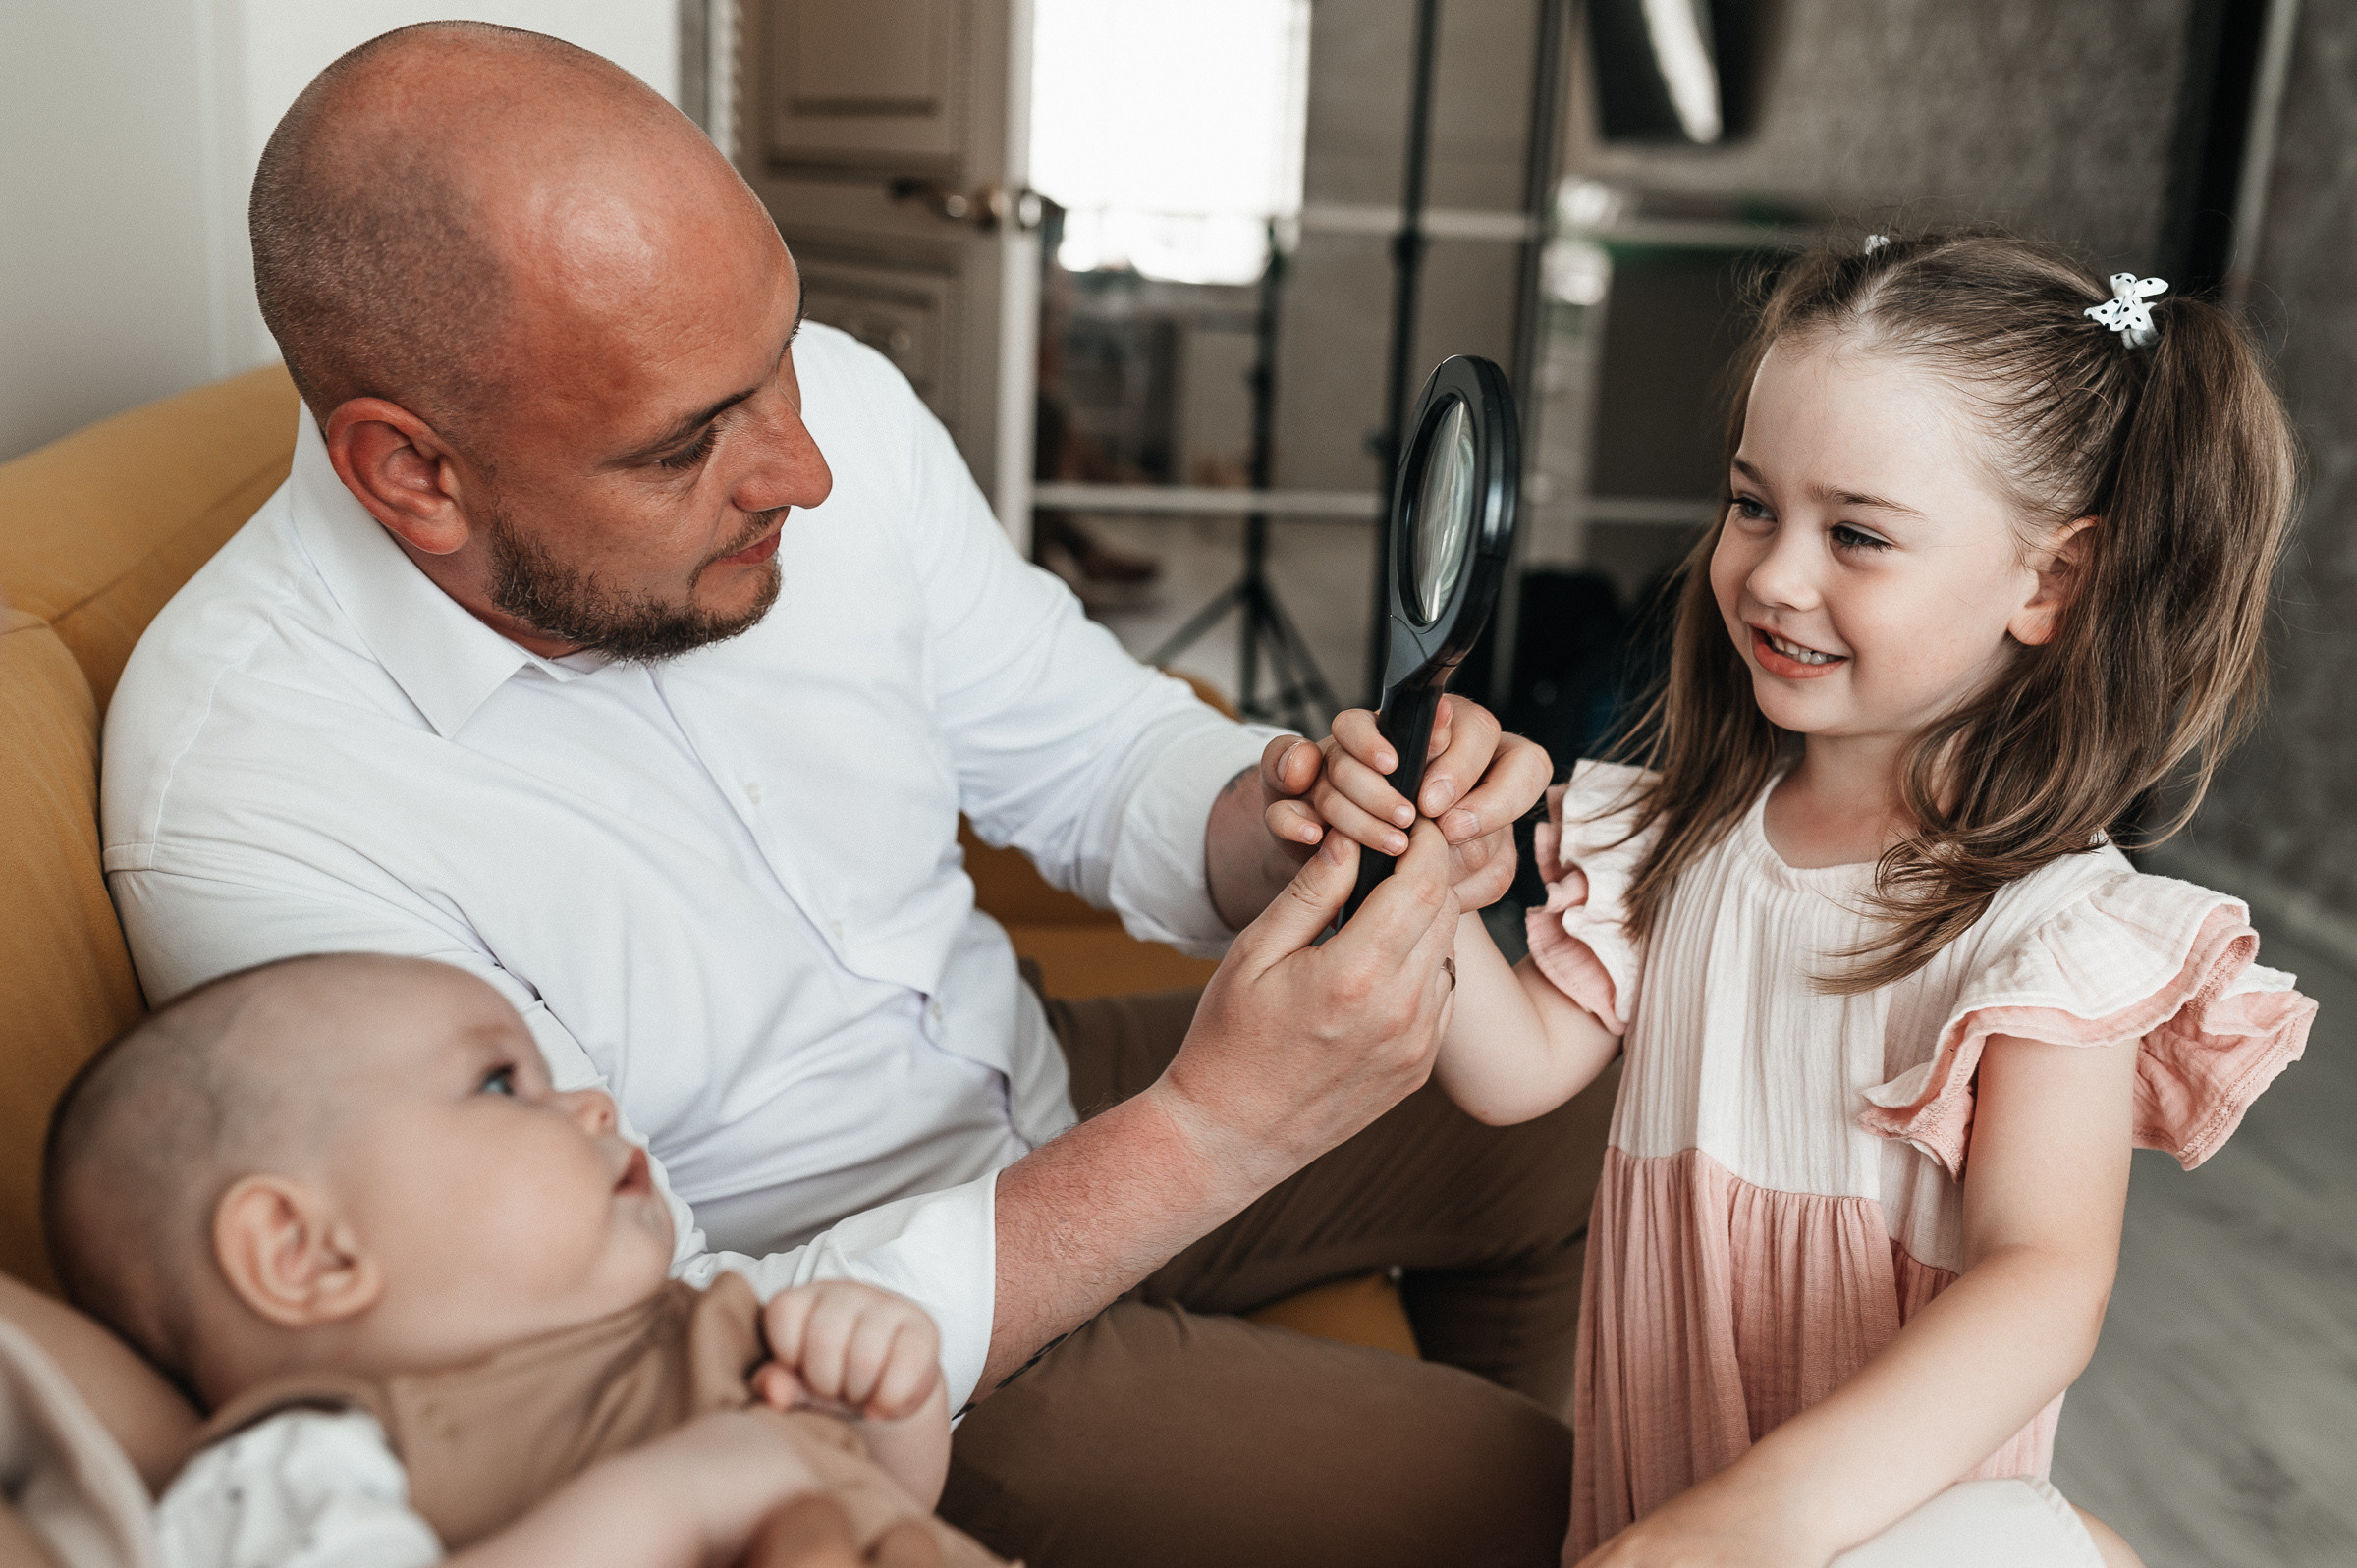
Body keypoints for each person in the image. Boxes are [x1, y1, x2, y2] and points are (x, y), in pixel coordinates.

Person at [98, 22, 1589, 1564]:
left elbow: (1090, 747)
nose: (804, 468)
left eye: (783, 359)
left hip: (1029, 1076)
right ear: (413, 474)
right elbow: (617, 1355)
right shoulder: (249, 793)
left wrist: (1291, 817)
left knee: (1605, 1099)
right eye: (689, 444)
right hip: (843, 1363)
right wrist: (1215, 1135)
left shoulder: (825, 417)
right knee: (1535, 1502)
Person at [1303, 231, 2316, 1565]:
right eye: (1750, 505)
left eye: (1855, 533)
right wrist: (1417, 879)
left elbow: (2043, 1280)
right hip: (1665, 1477)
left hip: (1862, 1521)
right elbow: (1513, 1069)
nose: (1775, 575)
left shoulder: (2047, 933)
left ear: (2051, 583)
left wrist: (1745, 1527)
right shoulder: (1684, 834)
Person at [42, 951, 1003, 1568]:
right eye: (501, 1082)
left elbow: (892, 1500)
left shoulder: (707, 1323)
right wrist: (682, 1499)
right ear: (308, 1252)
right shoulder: (308, 1463)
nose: (592, 1103)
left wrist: (889, 1394)